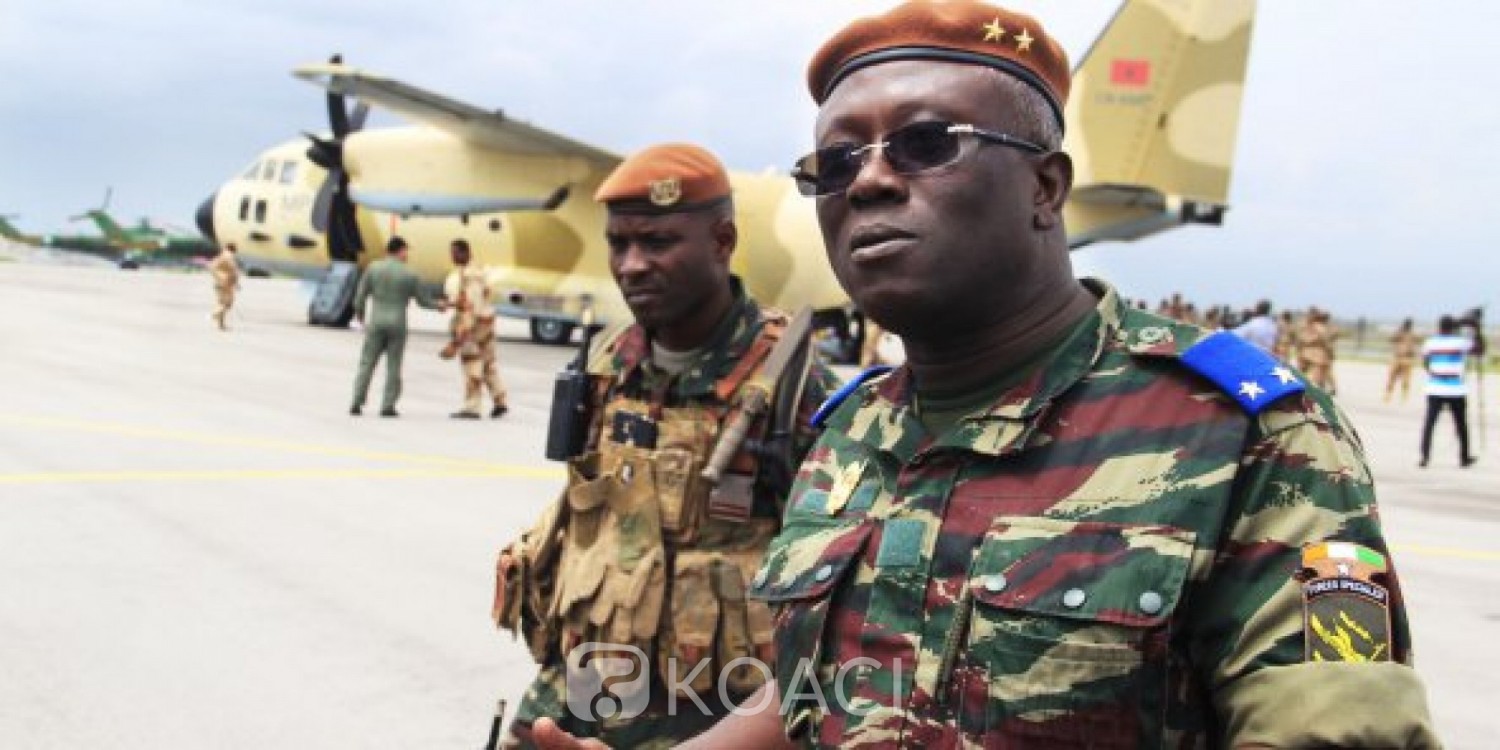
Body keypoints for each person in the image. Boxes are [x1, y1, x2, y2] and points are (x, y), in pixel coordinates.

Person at [532, 2, 1439, 748]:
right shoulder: (847, 433)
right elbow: (815, 690)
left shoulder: (1257, 439)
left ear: (1046, 188)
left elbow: (1342, 728)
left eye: (926, 143)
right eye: (837, 162)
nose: (869, 181)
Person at [491, 143, 839, 748]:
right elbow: (586, 536)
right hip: (593, 684)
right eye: (619, 244)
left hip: (717, 716)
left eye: (656, 243)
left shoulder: (793, 387)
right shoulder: (605, 363)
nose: (631, 265)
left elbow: (833, 597)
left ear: (723, 241)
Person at [349, 236, 445, 417]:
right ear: (401, 251)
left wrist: (360, 315)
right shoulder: (411, 274)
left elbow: (360, 296)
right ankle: (388, 406)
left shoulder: (373, 268)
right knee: (394, 366)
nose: (407, 255)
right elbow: (424, 301)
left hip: (377, 321)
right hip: (398, 323)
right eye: (406, 251)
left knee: (367, 363)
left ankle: (357, 401)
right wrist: (440, 306)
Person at [442, 239, 509, 419]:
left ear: (465, 253)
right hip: (487, 322)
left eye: (455, 253)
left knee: (471, 365)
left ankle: (472, 407)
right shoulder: (480, 271)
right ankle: (500, 399)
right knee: (488, 364)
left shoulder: (469, 277)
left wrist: (459, 337)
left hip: (473, 325)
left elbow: (471, 307)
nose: (452, 257)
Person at [1420, 315, 1477, 468]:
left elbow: (1425, 362)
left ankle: (1425, 456)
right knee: (1461, 424)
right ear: (1453, 328)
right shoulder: (1460, 342)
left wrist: (1434, 372)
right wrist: (1475, 328)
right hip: (1456, 389)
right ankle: (1464, 457)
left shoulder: (1430, 343)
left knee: (1430, 423)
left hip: (1435, 387)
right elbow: (1479, 349)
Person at [1296, 306, 1334, 390]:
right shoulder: (1318, 327)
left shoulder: (1306, 326)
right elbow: (1326, 342)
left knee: (1312, 377)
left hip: (1310, 352)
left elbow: (1300, 340)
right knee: (1314, 379)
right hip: (1314, 353)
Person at [207, 242, 240, 330]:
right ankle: (215, 315)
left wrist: (217, 277)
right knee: (228, 303)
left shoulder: (220, 256)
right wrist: (236, 282)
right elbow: (234, 271)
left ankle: (221, 325)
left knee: (221, 303)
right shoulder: (229, 257)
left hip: (218, 282)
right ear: (234, 249)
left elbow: (211, 267)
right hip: (227, 282)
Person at [1386, 317, 1419, 403]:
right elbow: (1391, 339)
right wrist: (1398, 332)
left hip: (1407, 358)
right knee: (1392, 378)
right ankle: (1388, 395)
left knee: (1406, 379)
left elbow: (1415, 345)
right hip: (1397, 358)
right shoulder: (1399, 333)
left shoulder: (1412, 335)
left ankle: (1403, 396)